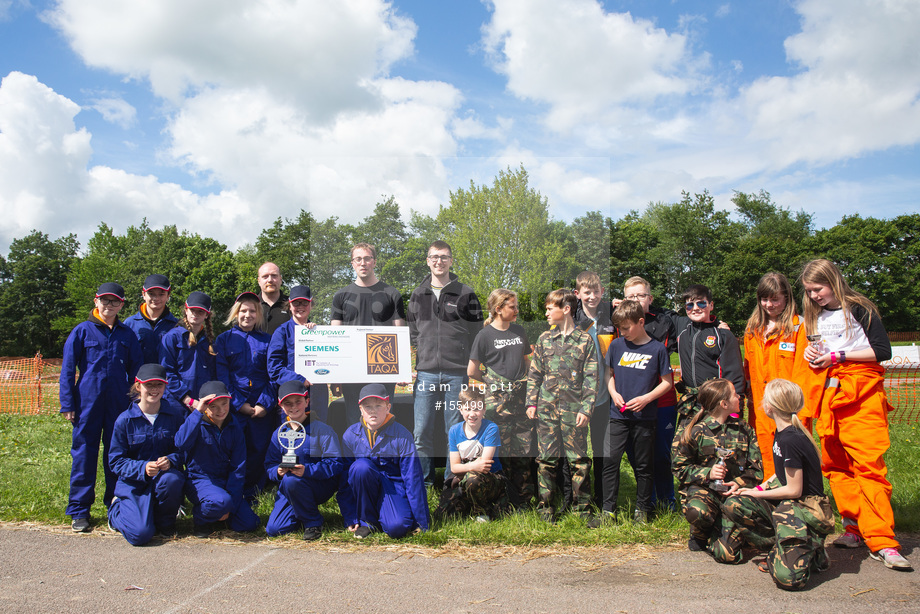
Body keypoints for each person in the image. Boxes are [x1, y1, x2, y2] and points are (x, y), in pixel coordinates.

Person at [801, 259, 911, 571]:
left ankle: (884, 542)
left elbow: (882, 350)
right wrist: (814, 356)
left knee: (869, 469)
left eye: (818, 289)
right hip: (830, 397)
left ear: (833, 281)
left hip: (862, 397)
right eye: (809, 292)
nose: (815, 296)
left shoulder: (860, 308)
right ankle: (854, 528)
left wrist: (838, 355)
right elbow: (818, 354)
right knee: (837, 466)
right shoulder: (815, 316)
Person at [712, 379, 835, 590]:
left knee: (789, 580)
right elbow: (780, 476)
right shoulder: (782, 432)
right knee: (735, 504)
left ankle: (810, 548)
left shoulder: (791, 440)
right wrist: (756, 490)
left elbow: (794, 489)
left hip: (805, 509)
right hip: (790, 505)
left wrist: (755, 495)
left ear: (770, 407)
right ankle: (784, 547)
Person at [60, 282, 144, 532]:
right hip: (87, 404)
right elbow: (67, 369)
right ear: (95, 301)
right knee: (84, 455)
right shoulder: (82, 331)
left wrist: (136, 403)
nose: (109, 306)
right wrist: (67, 403)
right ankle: (79, 510)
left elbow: (137, 372)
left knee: (115, 456)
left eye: (115, 302)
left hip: (118, 405)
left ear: (121, 305)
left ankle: (115, 506)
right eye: (105, 301)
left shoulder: (127, 334)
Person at [407, 240, 483, 486]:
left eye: (443, 257)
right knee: (421, 432)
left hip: (456, 373)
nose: (438, 261)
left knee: (454, 430)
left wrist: (472, 368)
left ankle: (453, 481)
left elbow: (477, 334)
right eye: (434, 257)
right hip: (426, 374)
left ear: (451, 260)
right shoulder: (418, 294)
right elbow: (411, 333)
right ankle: (426, 483)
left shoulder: (466, 292)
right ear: (428, 261)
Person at [525, 289, 598, 524]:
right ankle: (545, 509)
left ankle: (582, 510)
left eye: (549, 308)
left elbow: (591, 378)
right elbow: (535, 375)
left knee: (578, 462)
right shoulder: (545, 339)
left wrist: (586, 408)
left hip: (573, 411)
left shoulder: (585, 340)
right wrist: (531, 403)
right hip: (546, 411)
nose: (546, 312)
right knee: (546, 460)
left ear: (565, 309)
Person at [671, 378, 762, 553]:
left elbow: (756, 469)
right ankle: (700, 532)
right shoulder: (695, 431)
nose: (739, 398)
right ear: (724, 403)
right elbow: (679, 468)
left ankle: (723, 530)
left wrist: (740, 483)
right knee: (697, 511)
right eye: (735, 395)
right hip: (705, 493)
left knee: (727, 554)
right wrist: (708, 473)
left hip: (734, 497)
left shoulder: (744, 429)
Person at [743, 272, 820, 478]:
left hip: (790, 410)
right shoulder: (752, 329)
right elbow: (748, 370)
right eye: (764, 299)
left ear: (786, 297)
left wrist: (798, 412)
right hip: (760, 409)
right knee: (765, 457)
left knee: (794, 459)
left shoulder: (799, 327)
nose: (769, 304)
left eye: (775, 298)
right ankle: (771, 502)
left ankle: (799, 502)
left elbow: (804, 373)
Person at [603, 300, 673, 523]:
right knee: (610, 462)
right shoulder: (616, 346)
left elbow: (667, 383)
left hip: (645, 417)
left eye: (626, 328)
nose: (622, 333)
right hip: (618, 417)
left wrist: (647, 398)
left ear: (641, 322)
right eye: (619, 329)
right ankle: (608, 512)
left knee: (644, 465)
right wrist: (613, 393)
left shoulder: (657, 349)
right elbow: (608, 374)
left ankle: (642, 511)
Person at [467, 288, 534, 510]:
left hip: (520, 400)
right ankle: (502, 499)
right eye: (512, 307)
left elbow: (526, 361)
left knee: (523, 450)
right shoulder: (484, 335)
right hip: (497, 404)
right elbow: (472, 370)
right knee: (500, 451)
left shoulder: (519, 331)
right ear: (498, 309)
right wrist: (491, 384)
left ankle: (523, 500)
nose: (516, 310)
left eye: (516, 306)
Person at [337, 384, 429, 539]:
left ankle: (386, 514)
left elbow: (413, 478)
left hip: (393, 487)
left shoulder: (402, 435)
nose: (373, 411)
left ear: (388, 407)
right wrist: (350, 516)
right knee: (360, 468)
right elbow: (344, 480)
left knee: (397, 528)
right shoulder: (350, 435)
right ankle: (367, 521)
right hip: (364, 488)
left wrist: (421, 521)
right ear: (360, 409)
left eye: (378, 406)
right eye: (368, 407)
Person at [107, 364, 186, 545]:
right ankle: (116, 510)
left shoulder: (175, 416)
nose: (154, 390)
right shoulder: (124, 420)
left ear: (165, 387)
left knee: (173, 480)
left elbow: (184, 451)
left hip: (163, 481)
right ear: (138, 386)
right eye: (149, 385)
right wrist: (141, 467)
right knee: (140, 535)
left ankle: (165, 522)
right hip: (133, 484)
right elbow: (116, 461)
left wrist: (171, 460)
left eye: (159, 385)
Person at [330, 243, 406, 426]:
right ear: (352, 263)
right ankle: (359, 456)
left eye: (367, 258)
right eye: (358, 259)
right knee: (354, 422)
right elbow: (335, 336)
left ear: (374, 262)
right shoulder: (341, 296)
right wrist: (335, 375)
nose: (363, 263)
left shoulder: (392, 294)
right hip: (351, 371)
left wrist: (402, 369)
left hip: (383, 370)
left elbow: (400, 333)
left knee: (384, 422)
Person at [621, 276, 680, 511]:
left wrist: (718, 327)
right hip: (629, 400)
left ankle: (668, 500)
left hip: (662, 400)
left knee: (661, 454)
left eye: (641, 295)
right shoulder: (616, 322)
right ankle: (649, 499)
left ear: (650, 299)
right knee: (635, 454)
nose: (636, 300)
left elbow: (697, 320)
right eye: (630, 296)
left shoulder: (668, 321)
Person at [174, 381, 260, 537]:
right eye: (213, 406)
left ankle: (218, 515)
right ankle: (201, 519)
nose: (221, 410)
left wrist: (232, 503)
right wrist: (197, 412)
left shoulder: (234, 426)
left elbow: (238, 466)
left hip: (225, 481)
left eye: (225, 404)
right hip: (200, 480)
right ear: (204, 406)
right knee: (221, 502)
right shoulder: (196, 422)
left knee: (249, 523)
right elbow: (180, 442)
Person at [216, 291, 279, 501]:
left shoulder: (268, 341)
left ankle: (254, 495)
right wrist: (238, 404)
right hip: (234, 408)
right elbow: (223, 377)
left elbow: (273, 375)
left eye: (252, 311)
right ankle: (232, 492)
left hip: (261, 408)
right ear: (236, 313)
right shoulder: (224, 340)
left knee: (259, 450)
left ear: (258, 314)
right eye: (243, 310)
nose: (247, 315)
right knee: (233, 451)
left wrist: (265, 404)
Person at [264, 381, 344, 541]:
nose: (293, 407)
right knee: (274, 529)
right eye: (288, 403)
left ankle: (313, 522)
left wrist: (307, 470)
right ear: (281, 405)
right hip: (289, 486)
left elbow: (336, 464)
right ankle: (301, 511)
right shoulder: (279, 434)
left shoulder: (322, 430)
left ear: (307, 401)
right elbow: (269, 465)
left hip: (318, 485)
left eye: (298, 402)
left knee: (292, 480)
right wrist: (278, 472)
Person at [674, 284, 745, 435]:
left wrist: (734, 411)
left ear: (711, 305)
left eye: (701, 303)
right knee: (684, 449)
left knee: (715, 451)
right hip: (690, 404)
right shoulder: (682, 331)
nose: (695, 308)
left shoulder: (723, 335)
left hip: (717, 403)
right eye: (689, 305)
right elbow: (658, 315)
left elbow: (735, 374)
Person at [573, 271, 615, 511]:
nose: (592, 296)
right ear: (577, 294)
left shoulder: (611, 317)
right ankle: (578, 499)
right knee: (577, 452)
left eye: (596, 291)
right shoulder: (571, 318)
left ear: (602, 292)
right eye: (586, 292)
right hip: (577, 399)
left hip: (604, 397)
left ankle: (602, 498)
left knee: (602, 451)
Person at [434, 386, 508, 522]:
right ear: (461, 409)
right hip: (463, 478)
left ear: (484, 409)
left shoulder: (491, 428)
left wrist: (465, 469)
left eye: (477, 409)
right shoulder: (454, 431)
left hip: (490, 478)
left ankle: (482, 512)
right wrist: (471, 466)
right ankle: (468, 503)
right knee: (443, 514)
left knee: (472, 479)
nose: (472, 414)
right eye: (468, 409)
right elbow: (454, 468)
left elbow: (484, 466)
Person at [266, 285, 329, 423]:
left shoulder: (319, 332)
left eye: (305, 303)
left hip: (318, 395)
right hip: (292, 395)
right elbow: (274, 368)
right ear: (289, 305)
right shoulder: (281, 332)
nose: (300, 306)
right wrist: (301, 380)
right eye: (296, 303)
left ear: (311, 304)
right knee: (293, 436)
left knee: (319, 434)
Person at [159, 291, 217, 412]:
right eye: (192, 310)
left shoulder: (209, 341)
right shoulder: (172, 337)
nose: (195, 314)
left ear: (207, 315)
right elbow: (167, 372)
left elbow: (213, 374)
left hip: (202, 403)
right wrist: (187, 399)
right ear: (186, 310)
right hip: (175, 403)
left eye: (200, 311)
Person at [124, 274, 178, 365]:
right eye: (151, 294)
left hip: (166, 378)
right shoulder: (130, 324)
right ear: (143, 295)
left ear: (168, 295)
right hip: (138, 378)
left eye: (161, 294)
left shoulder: (176, 325)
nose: (156, 298)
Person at [258, 262, 291, 336]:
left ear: (280, 279)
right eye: (265, 276)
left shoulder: (292, 304)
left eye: (274, 276)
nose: (270, 280)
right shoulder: (251, 305)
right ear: (259, 281)